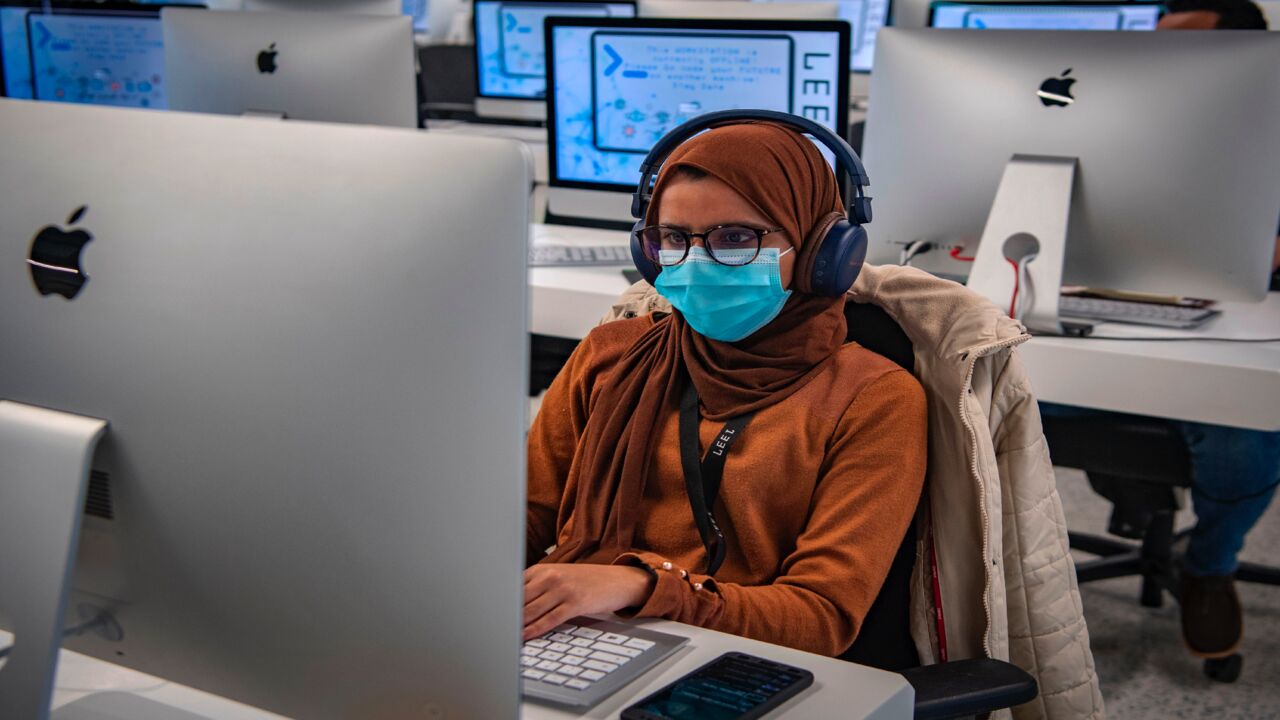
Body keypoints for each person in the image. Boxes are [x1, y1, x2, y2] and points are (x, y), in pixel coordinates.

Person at [523, 122, 928, 656]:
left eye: (735, 238)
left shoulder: (873, 399)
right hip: (574, 636)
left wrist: (646, 586)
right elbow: (527, 515)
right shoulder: (612, 354)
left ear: (820, 252)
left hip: (737, 658)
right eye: (672, 238)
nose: (696, 262)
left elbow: (822, 618)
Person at [1042, 0, 1279, 662]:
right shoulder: (1106, 120)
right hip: (1096, 316)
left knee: (1245, 427)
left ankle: (1210, 565)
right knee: (973, 387)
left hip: (1227, 332)